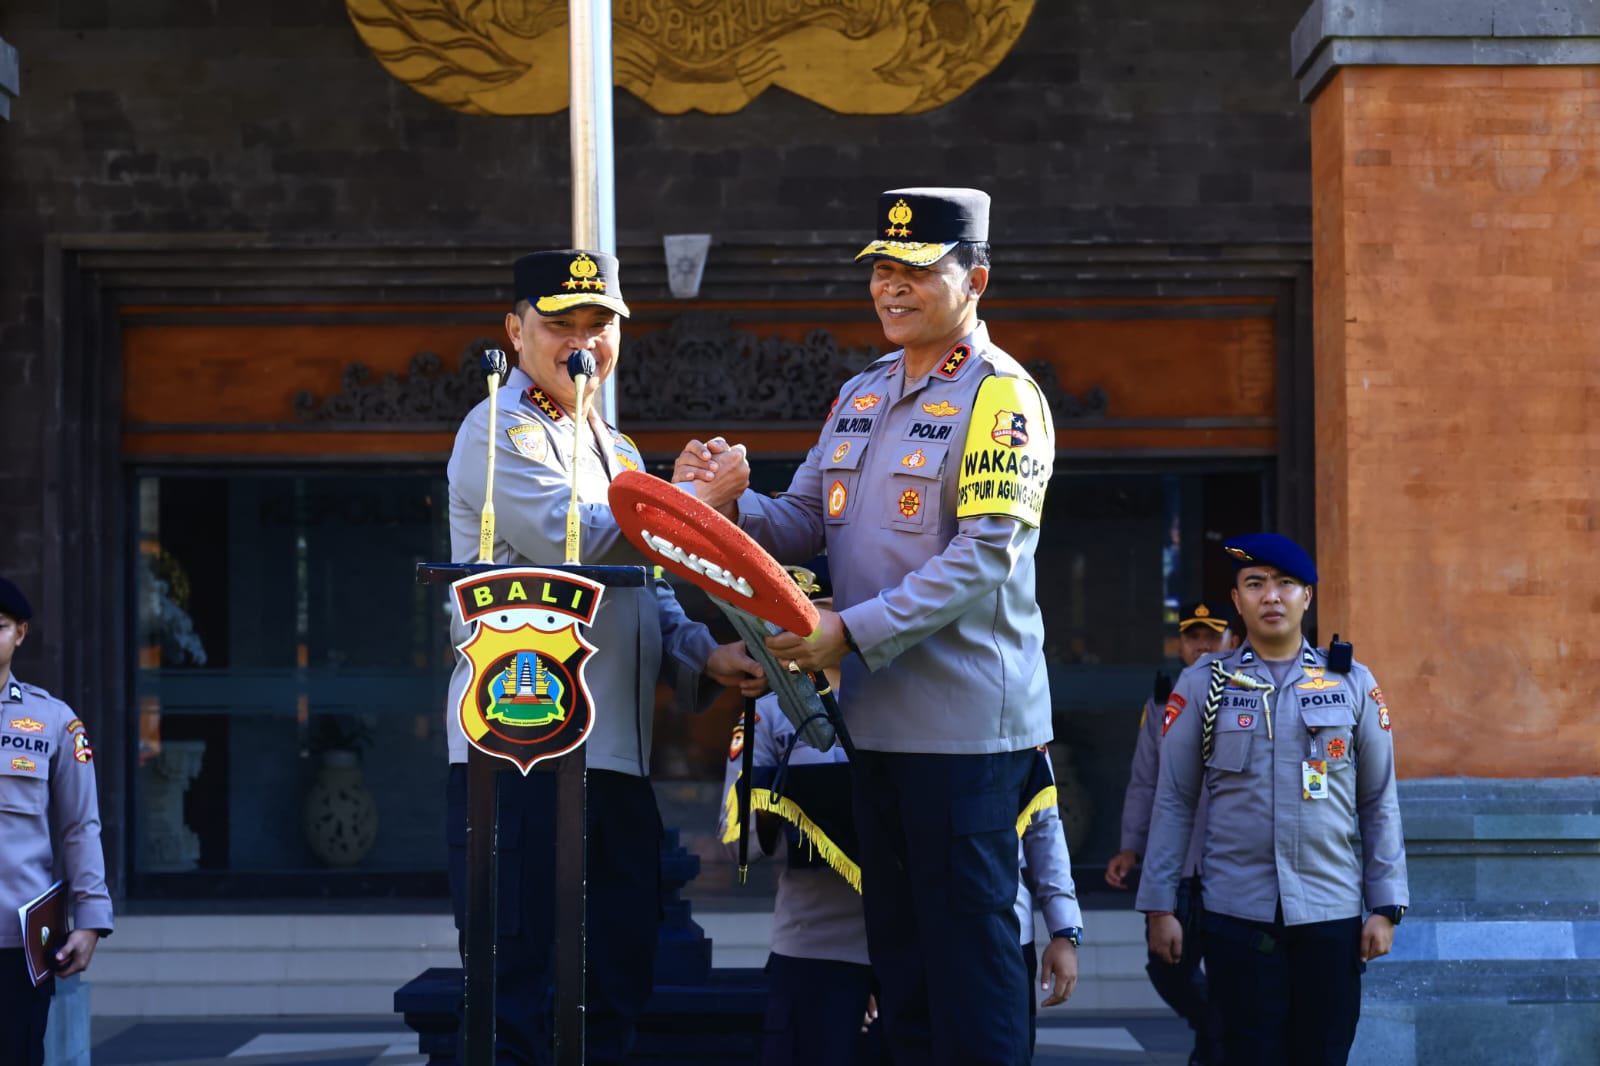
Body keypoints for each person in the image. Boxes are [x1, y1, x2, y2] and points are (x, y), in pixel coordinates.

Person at [678, 187, 1056, 1065]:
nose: (893, 287)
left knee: (972, 976)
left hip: (965, 734)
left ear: (977, 279)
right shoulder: (860, 393)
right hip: (872, 731)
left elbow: (984, 558)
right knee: (904, 970)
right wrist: (731, 503)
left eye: (917, 270)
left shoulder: (1002, 398)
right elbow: (804, 521)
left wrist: (847, 632)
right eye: (882, 269)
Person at [443, 249, 763, 1065]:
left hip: (614, 762)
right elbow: (573, 538)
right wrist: (681, 502)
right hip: (519, 754)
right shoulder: (496, 426)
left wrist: (708, 655)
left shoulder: (615, 448)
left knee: (617, 979)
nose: (582, 343)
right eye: (560, 325)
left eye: (599, 325)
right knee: (517, 990)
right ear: (516, 333)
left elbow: (645, 592)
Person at [716, 564, 1081, 1066]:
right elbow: (743, 843)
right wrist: (788, 805)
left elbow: (1040, 818)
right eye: (798, 618)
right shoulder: (774, 711)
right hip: (826, 945)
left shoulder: (950, 695)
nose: (810, 630)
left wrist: (1064, 927)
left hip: (957, 934)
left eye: (822, 615)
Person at [1136, 533, 1409, 1066]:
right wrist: (1159, 904)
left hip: (1329, 914)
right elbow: (1173, 800)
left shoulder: (1351, 683)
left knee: (1322, 1053)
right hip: (1237, 914)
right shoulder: (1203, 685)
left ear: (1308, 595)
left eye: (1285, 584)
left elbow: (1378, 799)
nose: (1271, 597)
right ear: (1237, 601)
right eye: (1255, 584)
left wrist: (1386, 905)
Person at [1104, 599, 1233, 1066]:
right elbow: (1145, 781)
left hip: (1229, 865)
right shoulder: (1162, 702)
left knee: (1231, 971)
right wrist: (1130, 847)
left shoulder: (1247, 695)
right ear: (1179, 644)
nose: (1201, 645)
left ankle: (1215, 1049)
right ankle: (1210, 1030)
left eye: (1211, 635)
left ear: (1232, 641)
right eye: (1192, 636)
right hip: (1176, 862)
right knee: (1167, 968)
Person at [0, 577, 113, 1066]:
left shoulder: (54, 723)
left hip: (15, 944)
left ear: (20, 633)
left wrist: (89, 920)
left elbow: (79, 827)